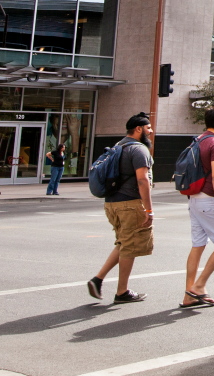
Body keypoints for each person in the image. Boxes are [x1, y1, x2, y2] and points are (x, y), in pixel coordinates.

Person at [87, 113, 154, 304]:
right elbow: (142, 180)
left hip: (111, 203)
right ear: (138, 129)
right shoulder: (139, 150)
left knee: (123, 243)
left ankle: (97, 279)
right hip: (130, 204)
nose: (151, 131)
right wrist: (149, 210)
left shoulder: (119, 146)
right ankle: (122, 292)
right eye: (148, 127)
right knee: (130, 248)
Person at [181, 106, 214, 308]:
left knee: (198, 245)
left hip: (194, 199)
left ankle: (188, 295)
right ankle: (199, 285)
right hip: (208, 198)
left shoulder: (198, 140)